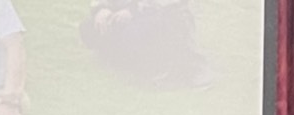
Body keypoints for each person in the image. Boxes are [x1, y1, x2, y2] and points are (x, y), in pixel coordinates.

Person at [79, 0, 211, 89]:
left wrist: (133, 11)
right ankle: (125, 57)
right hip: (125, 13)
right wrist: (101, 9)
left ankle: (179, 66)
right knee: (88, 28)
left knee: (134, 34)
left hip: (160, 13)